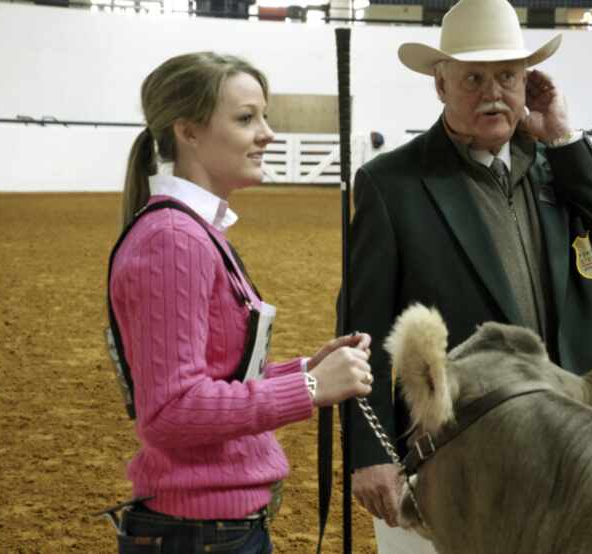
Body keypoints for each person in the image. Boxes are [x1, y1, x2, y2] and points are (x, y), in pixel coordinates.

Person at [337, 0, 592, 551]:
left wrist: (565, 136)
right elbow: (363, 328)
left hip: (575, 440)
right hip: (461, 450)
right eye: (472, 78)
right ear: (440, 84)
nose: (492, 92)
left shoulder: (559, 162)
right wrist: (372, 451)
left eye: (508, 76)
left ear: (528, 82)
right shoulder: (393, 184)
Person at [105, 52, 373, 554]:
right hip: (203, 533)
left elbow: (217, 377)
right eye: (247, 118)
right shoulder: (173, 238)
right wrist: (312, 388)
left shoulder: (194, 231)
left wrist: (304, 370)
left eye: (263, 116)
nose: (267, 133)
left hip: (216, 529)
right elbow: (171, 410)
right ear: (188, 131)